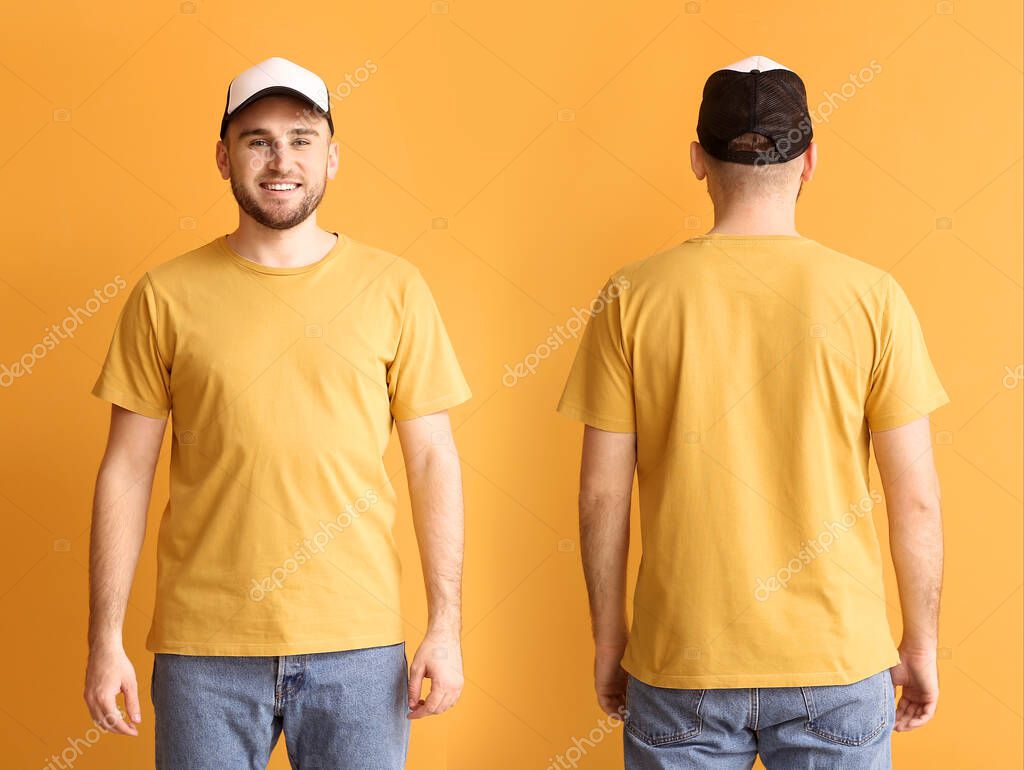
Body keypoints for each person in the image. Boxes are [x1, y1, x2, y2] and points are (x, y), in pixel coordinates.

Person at [556, 55, 949, 769]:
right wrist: (919, 644)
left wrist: (611, 641)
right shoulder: (873, 298)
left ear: (698, 161)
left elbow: (601, 495)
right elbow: (915, 499)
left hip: (680, 666)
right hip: (837, 664)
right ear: (810, 163)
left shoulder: (632, 296)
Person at [83, 56, 472, 769]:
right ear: (223, 158)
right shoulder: (164, 295)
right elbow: (126, 471)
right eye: (257, 139)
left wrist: (445, 626)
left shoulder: (395, 288)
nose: (281, 159)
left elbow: (432, 460)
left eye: (301, 137)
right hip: (204, 653)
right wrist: (104, 639)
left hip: (358, 646)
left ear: (333, 157)